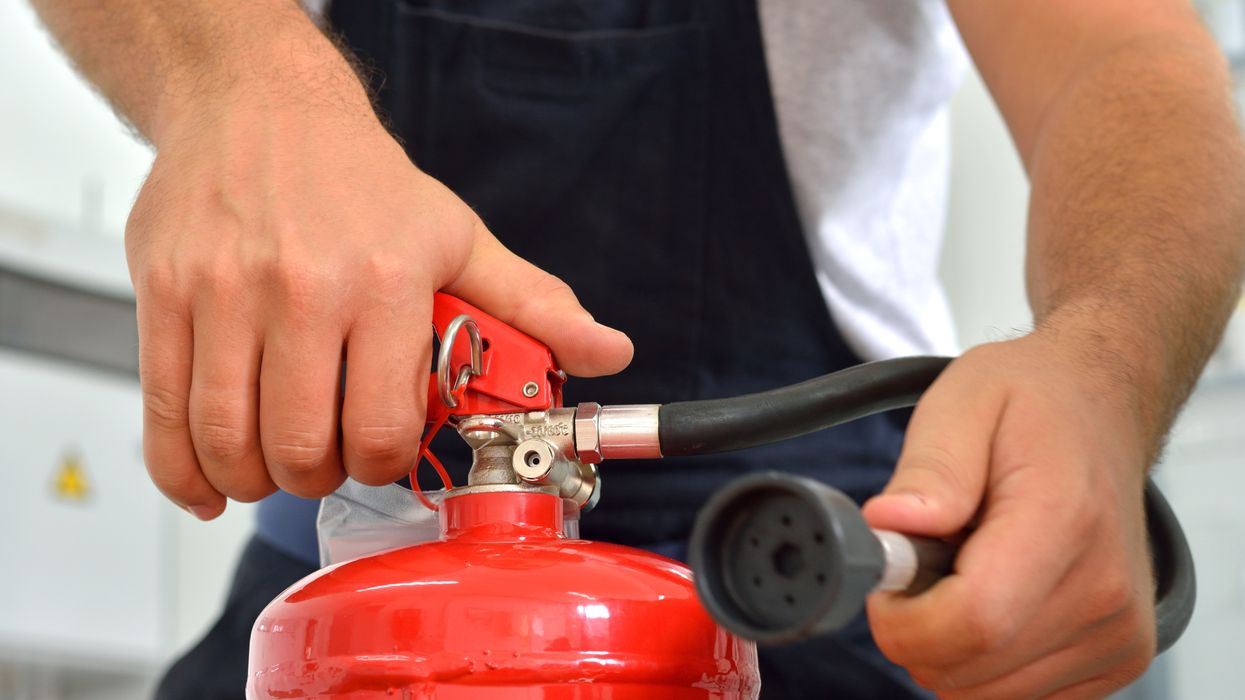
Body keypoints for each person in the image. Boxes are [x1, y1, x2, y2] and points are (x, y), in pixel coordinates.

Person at [32, 0, 1245, 697]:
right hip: (361, 528)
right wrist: (237, 83)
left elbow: (1119, 52)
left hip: (807, 550)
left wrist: (1105, 356)